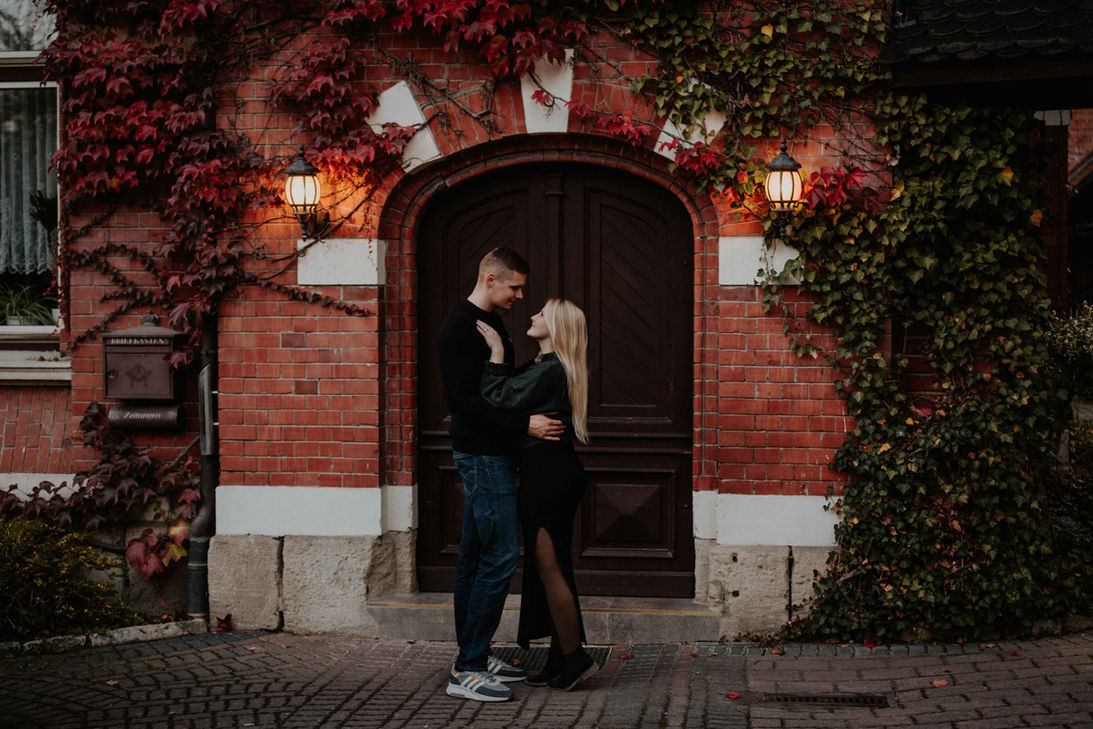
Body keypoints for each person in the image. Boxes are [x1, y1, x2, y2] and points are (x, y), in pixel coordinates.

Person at [437, 246, 565, 703]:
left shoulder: (493, 327)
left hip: (494, 455)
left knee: (474, 558)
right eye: (515, 286)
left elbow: (502, 390)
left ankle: (475, 653)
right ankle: (468, 669)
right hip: (482, 457)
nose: (519, 295)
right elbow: (465, 403)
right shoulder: (458, 329)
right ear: (490, 279)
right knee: (500, 557)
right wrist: (523, 424)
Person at [477, 298, 599, 692]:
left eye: (542, 314)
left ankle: (576, 658)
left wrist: (496, 353)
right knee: (550, 569)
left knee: (550, 570)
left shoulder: (550, 370)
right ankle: (560, 659)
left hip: (548, 478)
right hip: (548, 474)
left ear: (557, 326)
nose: (533, 316)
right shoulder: (543, 367)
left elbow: (497, 396)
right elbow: (513, 401)